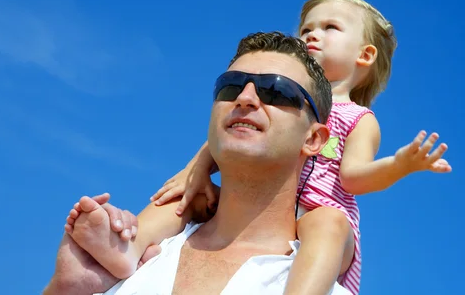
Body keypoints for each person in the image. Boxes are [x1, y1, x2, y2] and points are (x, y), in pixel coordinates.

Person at [66, 0, 452, 294]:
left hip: (322, 215)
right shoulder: (265, 99)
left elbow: (352, 178)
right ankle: (126, 248)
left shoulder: (359, 119)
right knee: (184, 198)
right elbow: (226, 137)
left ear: (365, 54)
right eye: (306, 28)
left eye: (330, 27)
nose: (312, 34)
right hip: (268, 210)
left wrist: (400, 165)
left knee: (328, 224)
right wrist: (194, 171)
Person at [46, 31, 353, 294]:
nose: (245, 98)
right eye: (231, 86)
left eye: (275, 90)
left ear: (314, 140)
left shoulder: (316, 282)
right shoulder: (131, 266)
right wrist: (63, 289)